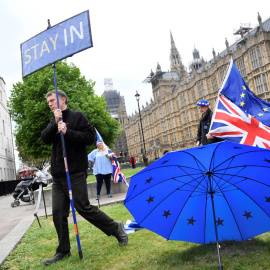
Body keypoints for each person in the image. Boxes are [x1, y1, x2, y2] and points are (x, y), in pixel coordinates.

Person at [41, 90, 128, 266]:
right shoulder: (53, 120)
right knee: (58, 213)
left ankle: (115, 228)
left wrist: (68, 131)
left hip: (74, 172)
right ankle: (63, 250)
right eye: (48, 101)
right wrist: (56, 122)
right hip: (58, 176)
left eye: (52, 100)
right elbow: (45, 138)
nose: (49, 104)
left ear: (62, 99)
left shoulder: (77, 117)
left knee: (83, 207)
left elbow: (89, 138)